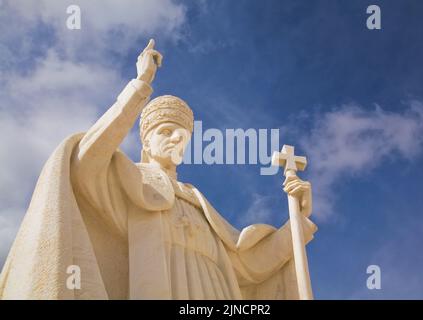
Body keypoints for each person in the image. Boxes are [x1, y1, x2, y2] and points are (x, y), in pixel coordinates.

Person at [0, 40, 317, 299]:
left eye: (183, 135)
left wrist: (297, 220)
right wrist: (139, 87)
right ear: (145, 143)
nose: (176, 137)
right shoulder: (129, 180)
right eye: (165, 131)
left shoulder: (196, 199)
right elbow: (85, 162)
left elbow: (250, 266)